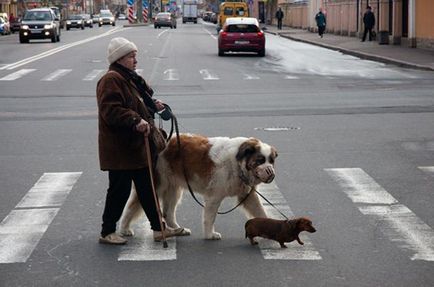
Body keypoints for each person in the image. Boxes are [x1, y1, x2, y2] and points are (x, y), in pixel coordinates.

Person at [96, 37, 180, 245]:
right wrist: (136, 120)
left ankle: (159, 229)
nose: (135, 60)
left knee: (147, 188)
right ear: (119, 59)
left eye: (135, 56)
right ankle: (107, 232)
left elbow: (138, 102)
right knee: (119, 191)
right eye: (131, 56)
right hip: (121, 148)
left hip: (137, 147)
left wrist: (153, 106)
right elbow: (111, 110)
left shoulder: (129, 78)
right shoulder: (111, 79)